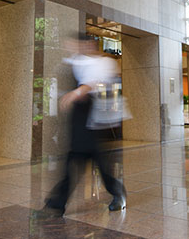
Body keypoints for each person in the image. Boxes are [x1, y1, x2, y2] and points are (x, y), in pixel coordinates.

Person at [45, 34, 127, 215]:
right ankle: (57, 202)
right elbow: (71, 62)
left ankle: (117, 191)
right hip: (79, 118)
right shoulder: (78, 60)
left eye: (82, 45)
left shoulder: (104, 63)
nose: (78, 48)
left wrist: (76, 93)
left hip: (94, 119)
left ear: (90, 44)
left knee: (94, 162)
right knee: (74, 159)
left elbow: (92, 82)